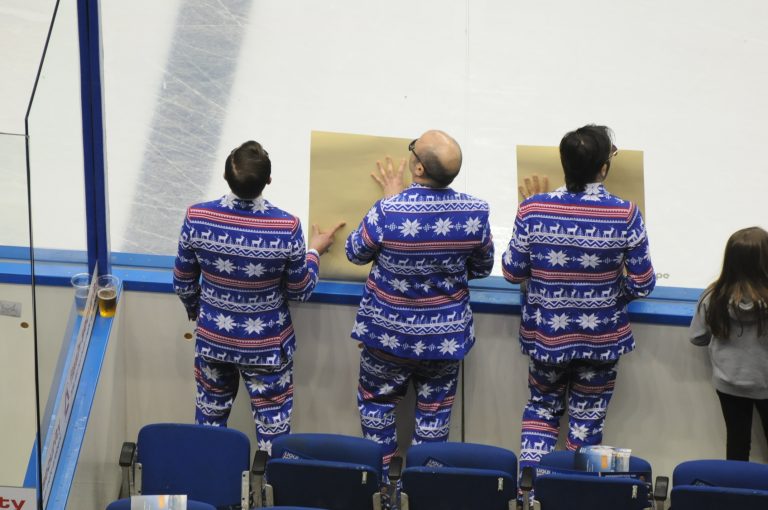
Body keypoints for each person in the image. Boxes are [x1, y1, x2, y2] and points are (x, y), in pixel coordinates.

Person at [173, 140, 343, 454]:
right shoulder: (285, 227)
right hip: (267, 347)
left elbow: (183, 281)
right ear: (268, 181)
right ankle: (270, 494)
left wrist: (198, 311)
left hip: (213, 340)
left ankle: (212, 492)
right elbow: (299, 289)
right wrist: (315, 252)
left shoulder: (196, 217)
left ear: (226, 178)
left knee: (209, 425)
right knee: (273, 431)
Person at [502, 124, 655, 473]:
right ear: (603, 167)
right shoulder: (625, 213)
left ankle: (529, 494)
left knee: (540, 410)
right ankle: (573, 493)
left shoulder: (532, 209)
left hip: (546, 337)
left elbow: (512, 272)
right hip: (600, 339)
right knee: (587, 422)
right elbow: (643, 282)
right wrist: (612, 298)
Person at [346, 130, 494, 476]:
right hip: (444, 340)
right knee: (434, 419)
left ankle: (384, 486)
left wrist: (390, 202)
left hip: (386, 338)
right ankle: (422, 486)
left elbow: (354, 252)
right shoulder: (475, 212)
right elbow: (482, 267)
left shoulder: (389, 210)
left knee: (376, 406)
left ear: (418, 169)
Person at [689, 226, 768, 461]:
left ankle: (735, 495)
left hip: (729, 383)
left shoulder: (713, 296)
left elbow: (697, 336)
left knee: (736, 441)